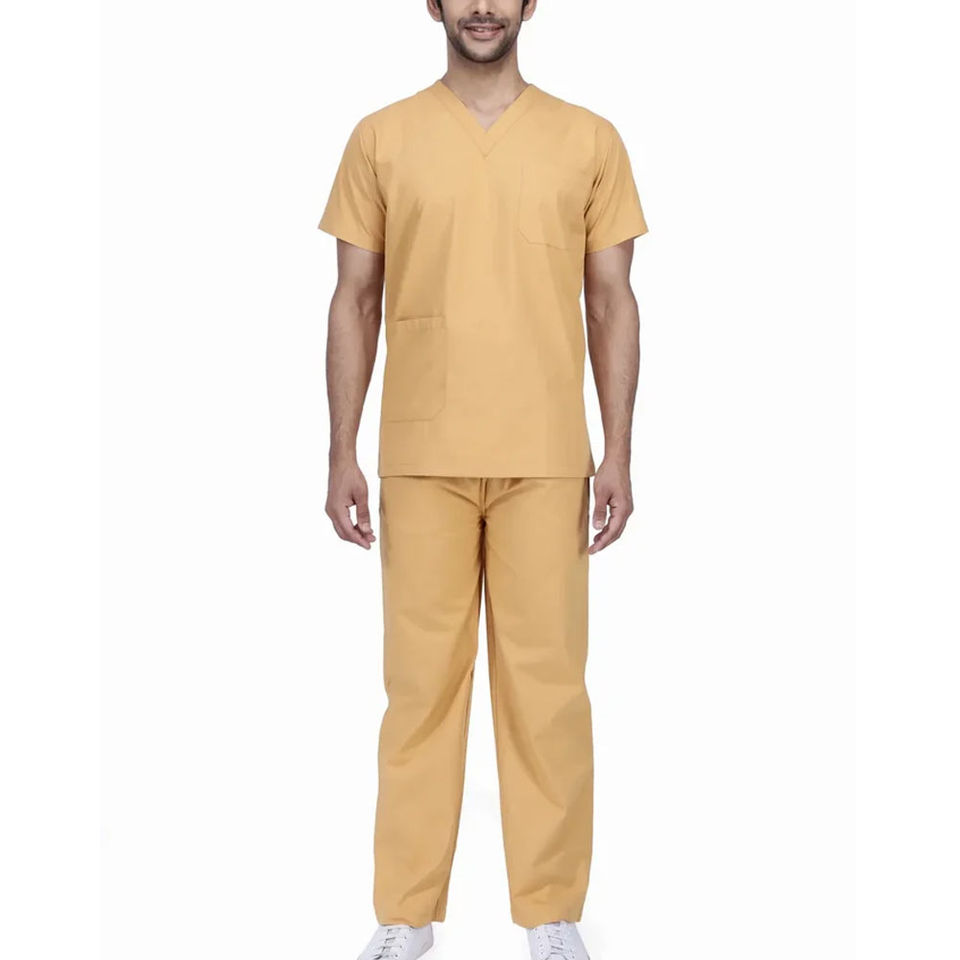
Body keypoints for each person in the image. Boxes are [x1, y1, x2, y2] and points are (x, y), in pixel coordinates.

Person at [317, 2, 648, 957]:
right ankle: (405, 916)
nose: (483, 7)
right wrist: (341, 449)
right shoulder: (382, 139)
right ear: (432, 2)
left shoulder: (588, 141)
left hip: (546, 454)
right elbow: (354, 298)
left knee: (548, 690)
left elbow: (612, 300)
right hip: (422, 453)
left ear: (531, 3)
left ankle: (552, 913)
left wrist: (618, 451)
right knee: (419, 690)